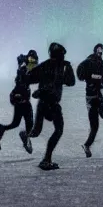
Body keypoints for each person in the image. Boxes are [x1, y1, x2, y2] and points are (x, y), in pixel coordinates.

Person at [21, 42, 76, 170]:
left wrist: (24, 68)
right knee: (58, 130)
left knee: (37, 131)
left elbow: (28, 79)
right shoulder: (63, 65)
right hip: (52, 103)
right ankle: (46, 159)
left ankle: (27, 136)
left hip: (44, 103)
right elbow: (71, 82)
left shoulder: (46, 65)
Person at [0, 50, 37, 153]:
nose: (33, 62)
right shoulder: (24, 70)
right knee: (29, 123)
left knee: (16, 123)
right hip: (22, 99)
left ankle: (2, 128)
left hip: (19, 99)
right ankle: (25, 137)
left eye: (34, 60)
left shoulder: (24, 69)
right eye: (31, 60)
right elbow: (21, 82)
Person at [76, 43, 103, 158]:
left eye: (101, 50)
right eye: (98, 50)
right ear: (95, 50)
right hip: (91, 97)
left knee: (98, 122)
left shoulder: (101, 64)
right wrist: (89, 77)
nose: (100, 52)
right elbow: (80, 73)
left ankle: (87, 145)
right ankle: (87, 145)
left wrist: (101, 80)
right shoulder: (88, 62)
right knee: (95, 126)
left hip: (98, 96)